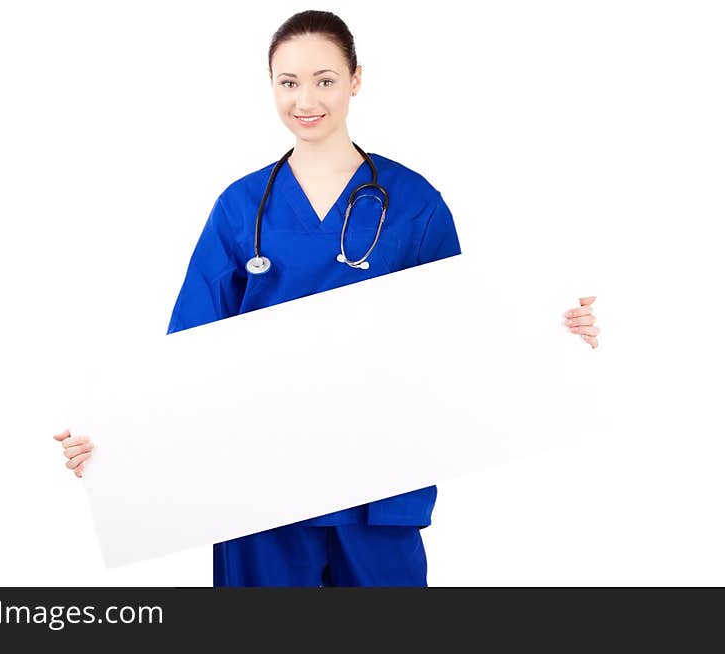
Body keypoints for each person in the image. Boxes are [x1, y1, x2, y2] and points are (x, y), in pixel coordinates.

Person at [54, 10, 601, 586]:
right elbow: (184, 359)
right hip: (256, 496)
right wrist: (114, 445)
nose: (305, 99)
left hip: (380, 489)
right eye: (288, 82)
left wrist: (554, 332)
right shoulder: (242, 209)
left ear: (356, 79)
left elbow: (464, 340)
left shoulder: (414, 204)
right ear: (271, 86)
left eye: (324, 79)